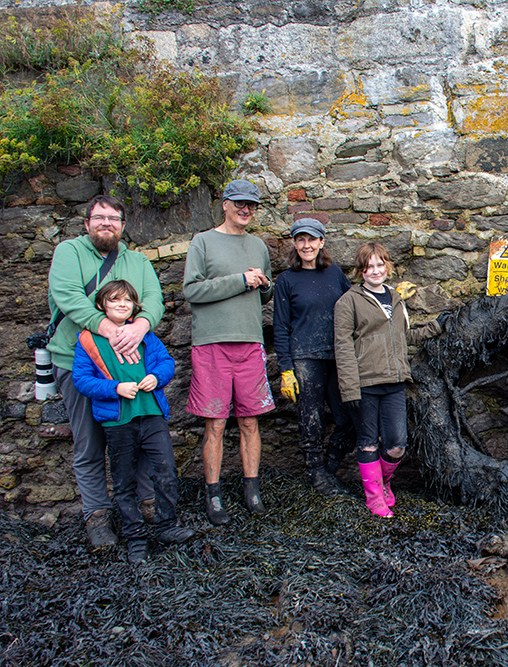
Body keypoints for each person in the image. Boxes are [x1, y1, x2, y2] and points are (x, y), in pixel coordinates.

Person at [47, 194, 164, 547]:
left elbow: (154, 300)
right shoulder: (69, 252)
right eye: (99, 218)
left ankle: (146, 505)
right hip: (77, 360)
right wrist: (109, 328)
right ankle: (97, 515)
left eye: (113, 219)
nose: (106, 224)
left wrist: (140, 326)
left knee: (138, 437)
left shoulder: (138, 261)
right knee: (88, 442)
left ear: (123, 226)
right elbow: (67, 295)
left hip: (130, 367)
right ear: (87, 223)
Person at [72, 280, 195, 563]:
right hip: (118, 422)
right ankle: (135, 537)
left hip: (151, 415)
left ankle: (167, 526)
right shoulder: (88, 340)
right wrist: (114, 388)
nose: (122, 305)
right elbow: (81, 380)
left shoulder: (145, 335)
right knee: (124, 481)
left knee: (166, 471)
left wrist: (158, 377)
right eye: (114, 300)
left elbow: (165, 362)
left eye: (127, 300)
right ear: (102, 305)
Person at [183, 179, 275, 525]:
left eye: (251, 204)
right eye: (239, 203)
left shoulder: (259, 246)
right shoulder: (203, 241)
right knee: (216, 423)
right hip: (212, 343)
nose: (246, 209)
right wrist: (240, 280)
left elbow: (264, 297)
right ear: (224, 204)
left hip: (250, 342)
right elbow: (192, 290)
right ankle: (214, 494)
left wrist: (265, 284)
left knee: (250, 421)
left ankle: (252, 490)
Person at [333, 242, 441, 518]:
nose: (375, 270)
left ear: (387, 266)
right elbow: (342, 347)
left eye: (380, 264)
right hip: (364, 384)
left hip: (395, 382)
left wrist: (436, 327)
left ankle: (383, 483)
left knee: (396, 445)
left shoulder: (395, 298)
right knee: (368, 442)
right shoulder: (349, 302)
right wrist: (349, 388)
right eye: (369, 266)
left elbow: (404, 337)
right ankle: (374, 498)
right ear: (361, 271)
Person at [273, 218, 355, 495]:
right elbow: (281, 327)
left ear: (322, 242)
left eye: (311, 240)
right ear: (295, 244)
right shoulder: (286, 280)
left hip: (338, 356)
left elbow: (357, 306)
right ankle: (317, 477)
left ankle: (329, 468)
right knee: (312, 419)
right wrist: (286, 369)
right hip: (305, 358)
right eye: (300, 240)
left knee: (349, 419)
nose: (306, 245)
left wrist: (390, 299)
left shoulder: (335, 274)